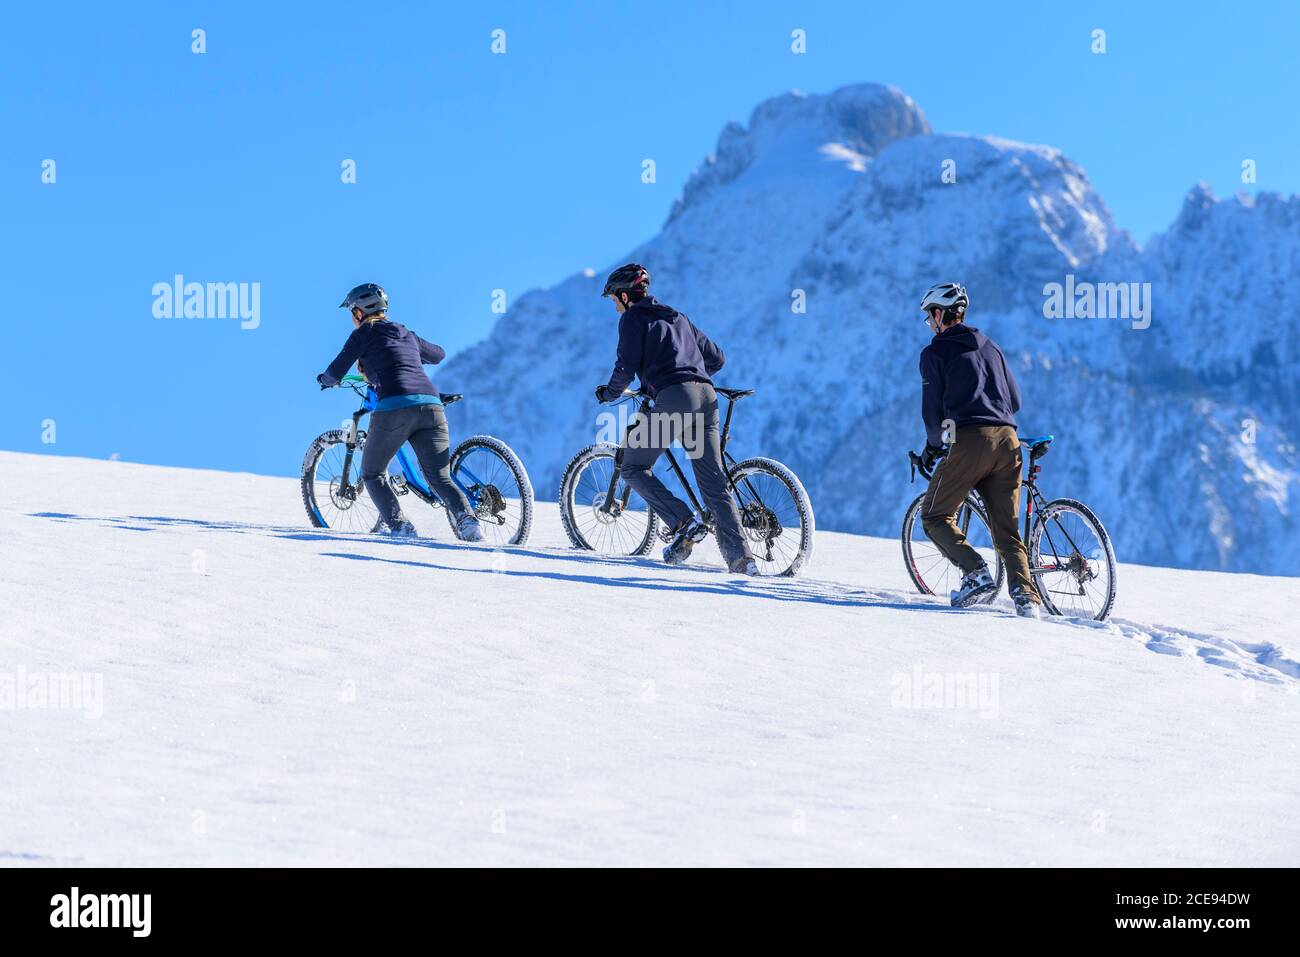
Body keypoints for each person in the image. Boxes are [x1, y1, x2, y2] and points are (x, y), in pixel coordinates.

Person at [594, 264, 758, 576]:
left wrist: (610, 393)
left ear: (626, 296)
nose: (614, 306)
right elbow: (717, 358)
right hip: (707, 398)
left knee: (632, 464)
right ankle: (742, 560)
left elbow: (626, 365)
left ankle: (683, 523)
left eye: (614, 299)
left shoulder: (632, 318)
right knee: (713, 483)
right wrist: (690, 373)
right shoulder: (677, 316)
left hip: (675, 398)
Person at [317, 283, 483, 542]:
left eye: (352, 311)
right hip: (431, 406)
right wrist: (410, 354)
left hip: (394, 407)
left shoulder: (363, 334)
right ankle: (469, 523)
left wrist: (326, 380)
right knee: (440, 477)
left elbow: (337, 369)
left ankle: (401, 527)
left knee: (372, 473)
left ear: (360, 312)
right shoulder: (405, 332)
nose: (352, 318)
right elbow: (438, 355)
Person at [916, 282, 1042, 618]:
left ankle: (975, 573)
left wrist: (931, 448)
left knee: (934, 516)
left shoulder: (934, 353)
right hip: (1009, 440)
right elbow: (1014, 401)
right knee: (1006, 529)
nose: (929, 323)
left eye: (930, 316)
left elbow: (932, 414)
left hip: (970, 441)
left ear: (941, 314)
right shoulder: (991, 346)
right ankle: (1025, 597)